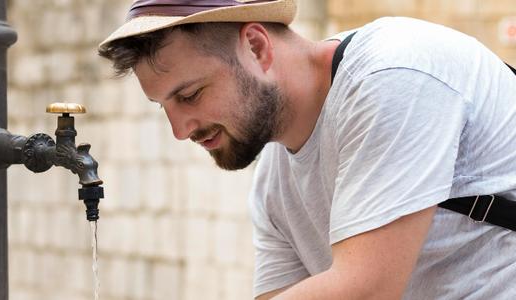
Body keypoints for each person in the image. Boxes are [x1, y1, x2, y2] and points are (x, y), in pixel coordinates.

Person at [98, 0, 516, 299]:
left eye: (189, 95)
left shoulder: (393, 74)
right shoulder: (274, 182)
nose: (178, 129)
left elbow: (367, 288)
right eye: (164, 107)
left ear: (257, 47)